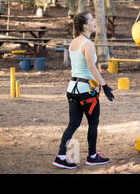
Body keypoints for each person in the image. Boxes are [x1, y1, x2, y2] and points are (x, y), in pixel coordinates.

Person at [53, 12, 114, 169]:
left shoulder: (74, 42)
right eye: (92, 19)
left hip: (72, 89)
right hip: (86, 91)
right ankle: (92, 156)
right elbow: (91, 67)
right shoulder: (88, 44)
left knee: (73, 124)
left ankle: (60, 156)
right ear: (85, 25)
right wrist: (105, 85)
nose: (95, 21)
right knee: (93, 123)